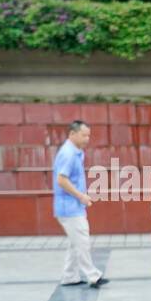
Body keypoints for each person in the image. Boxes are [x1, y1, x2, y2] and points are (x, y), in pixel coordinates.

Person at [53, 120, 107, 289]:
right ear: (72, 134)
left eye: (89, 135)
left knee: (75, 243)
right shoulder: (68, 154)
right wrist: (80, 196)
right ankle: (92, 275)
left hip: (73, 205)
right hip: (70, 207)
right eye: (84, 135)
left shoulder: (76, 152)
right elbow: (61, 179)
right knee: (82, 241)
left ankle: (69, 276)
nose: (87, 138)